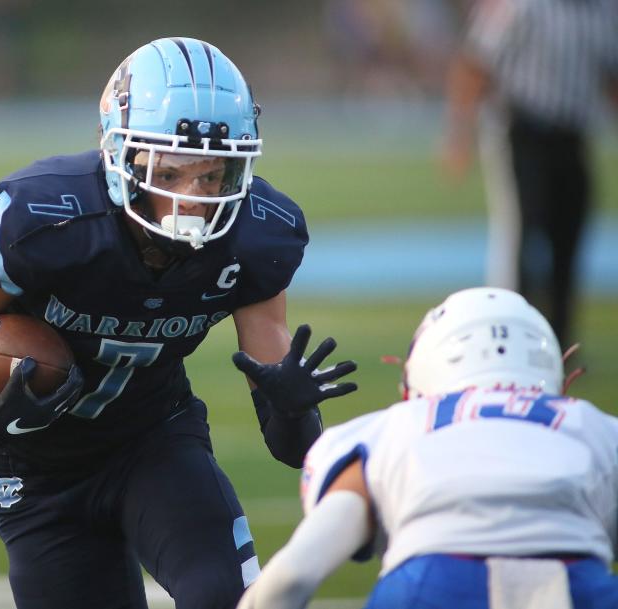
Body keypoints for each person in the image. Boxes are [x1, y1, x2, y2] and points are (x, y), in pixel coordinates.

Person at [0, 37, 358, 609]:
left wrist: (296, 411)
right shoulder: (47, 222)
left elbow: (292, 447)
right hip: (38, 471)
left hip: (154, 443)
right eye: (172, 171)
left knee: (226, 600)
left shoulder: (255, 239)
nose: (194, 198)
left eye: (214, 176)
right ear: (121, 156)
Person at [237, 286, 618, 609]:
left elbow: (291, 576)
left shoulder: (386, 432)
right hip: (580, 587)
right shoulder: (598, 429)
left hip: (428, 587)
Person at [441, 0, 618, 348]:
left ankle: (560, 344)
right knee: (521, 238)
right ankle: (506, 341)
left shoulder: (602, 11)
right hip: (523, 131)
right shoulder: (523, 7)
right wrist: (459, 132)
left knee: (569, 239)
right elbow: (476, 62)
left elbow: (610, 77)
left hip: (573, 135)